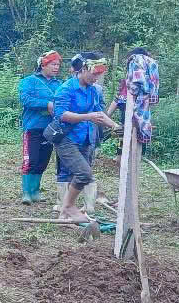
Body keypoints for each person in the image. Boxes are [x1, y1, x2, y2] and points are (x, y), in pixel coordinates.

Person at [51, 52, 119, 223]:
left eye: (100, 74)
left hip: (86, 138)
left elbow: (99, 114)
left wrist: (116, 127)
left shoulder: (93, 91)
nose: (97, 77)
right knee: (83, 173)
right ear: (82, 70)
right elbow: (61, 115)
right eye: (94, 73)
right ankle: (68, 206)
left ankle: (64, 214)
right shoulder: (66, 89)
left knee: (80, 174)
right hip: (66, 138)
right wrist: (87, 117)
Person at [17, 51, 64, 204]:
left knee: (43, 160)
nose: (56, 67)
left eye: (58, 65)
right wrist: (47, 104)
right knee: (31, 159)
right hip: (33, 127)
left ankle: (36, 191)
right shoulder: (29, 81)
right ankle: (26, 192)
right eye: (53, 64)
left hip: (50, 128)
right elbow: (26, 99)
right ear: (43, 65)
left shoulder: (59, 84)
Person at [105, 47, 160, 150]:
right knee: (126, 135)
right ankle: (123, 157)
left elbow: (117, 99)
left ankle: (125, 157)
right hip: (130, 108)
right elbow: (118, 98)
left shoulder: (134, 78)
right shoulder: (137, 79)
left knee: (128, 136)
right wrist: (106, 118)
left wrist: (106, 117)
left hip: (131, 108)